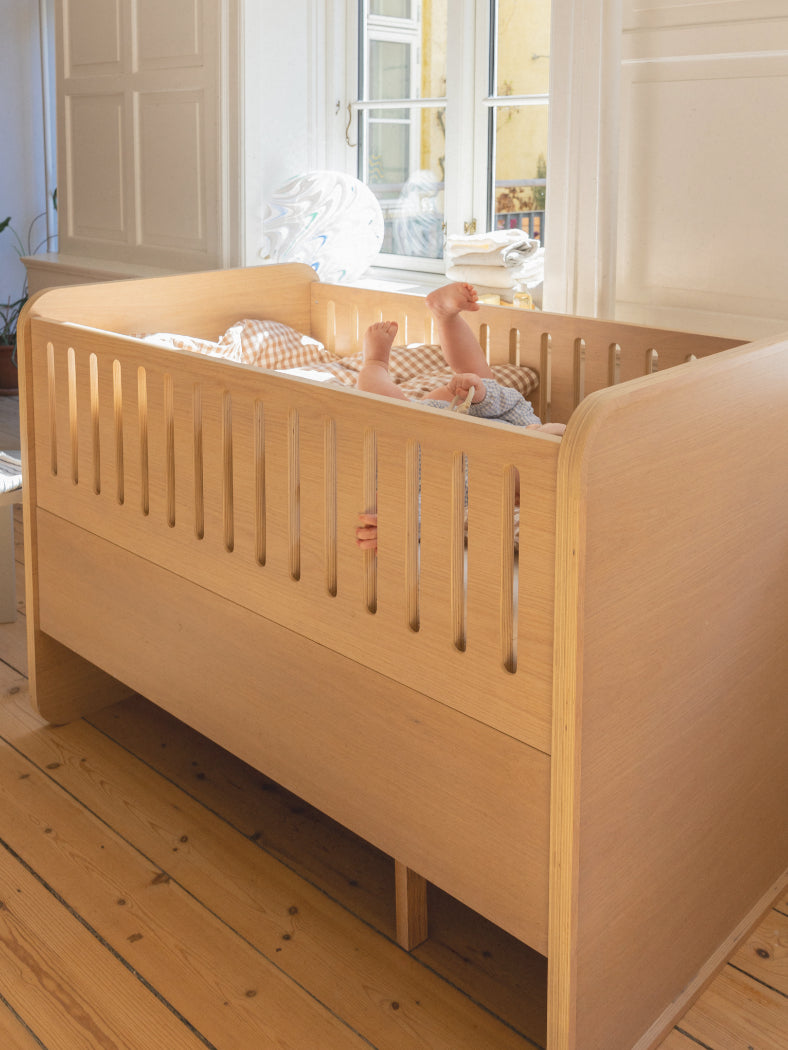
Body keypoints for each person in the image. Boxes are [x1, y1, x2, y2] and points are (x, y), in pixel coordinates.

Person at [355, 281, 565, 550]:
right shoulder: (526, 425)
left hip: (413, 429)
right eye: (538, 431)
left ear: (517, 498)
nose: (529, 431)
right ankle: (445, 314)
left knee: (379, 403)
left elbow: (433, 506)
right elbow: (512, 403)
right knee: (483, 377)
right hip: (457, 407)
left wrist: (396, 521)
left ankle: (375, 361)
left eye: (532, 439)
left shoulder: (482, 490)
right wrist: (481, 395)